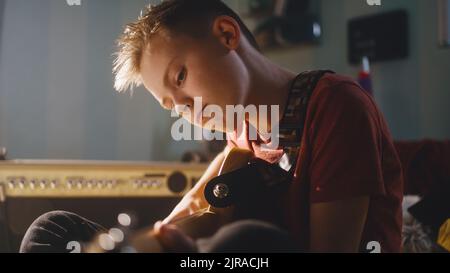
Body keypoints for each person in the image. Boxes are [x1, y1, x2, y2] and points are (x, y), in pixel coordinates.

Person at [20, 0, 403, 253]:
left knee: (242, 241)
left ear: (226, 34)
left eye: (181, 76)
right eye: (169, 104)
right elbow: (182, 220)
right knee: (52, 229)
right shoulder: (238, 133)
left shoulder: (338, 106)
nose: (183, 108)